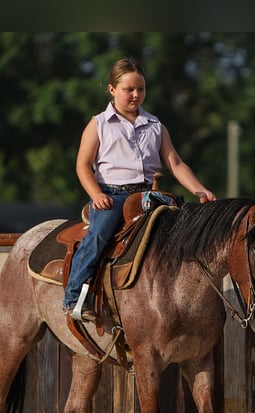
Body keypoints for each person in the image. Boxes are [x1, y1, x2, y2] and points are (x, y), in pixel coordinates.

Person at [62, 58, 216, 322]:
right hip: (112, 195)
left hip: (150, 195)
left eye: (141, 89)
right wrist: (97, 195)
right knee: (99, 235)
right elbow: (83, 166)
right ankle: (74, 296)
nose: (136, 95)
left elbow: (176, 164)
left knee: (186, 230)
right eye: (128, 89)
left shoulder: (155, 126)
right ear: (111, 89)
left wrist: (200, 190)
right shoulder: (99, 124)